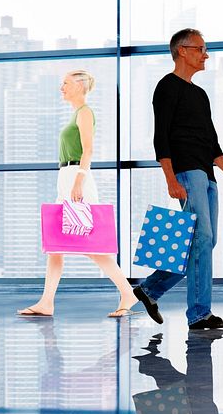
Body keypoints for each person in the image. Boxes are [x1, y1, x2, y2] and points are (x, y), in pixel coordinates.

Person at [132, 29, 223, 330]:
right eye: (200, 49)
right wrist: (170, 179)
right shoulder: (166, 87)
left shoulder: (200, 94)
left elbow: (212, 143)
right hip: (186, 172)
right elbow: (162, 138)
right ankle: (199, 314)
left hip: (208, 175)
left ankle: (149, 289)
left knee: (205, 242)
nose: (205, 55)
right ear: (182, 51)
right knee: (202, 239)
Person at [17, 70, 137, 318]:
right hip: (67, 178)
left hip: (76, 177)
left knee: (92, 245)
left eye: (66, 83)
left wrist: (79, 182)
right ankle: (46, 302)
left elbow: (88, 150)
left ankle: (127, 293)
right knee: (55, 245)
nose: (62, 87)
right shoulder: (75, 114)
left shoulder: (85, 112)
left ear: (81, 86)